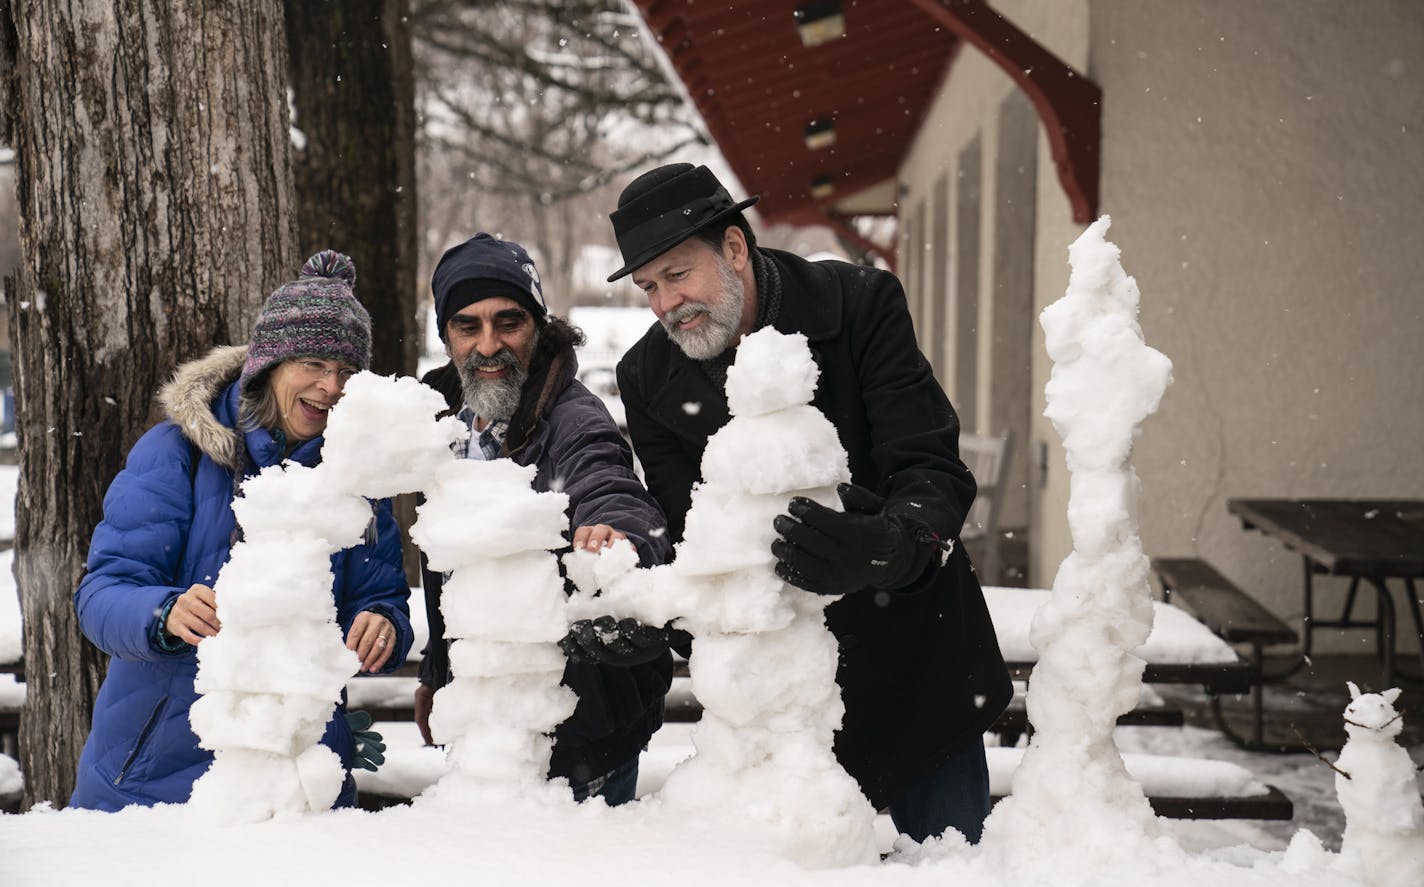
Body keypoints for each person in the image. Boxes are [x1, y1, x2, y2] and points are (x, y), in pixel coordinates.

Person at [606, 164, 1013, 843]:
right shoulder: (647, 376)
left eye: (677, 275)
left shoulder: (858, 305)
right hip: (779, 713)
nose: (664, 304)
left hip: (917, 670)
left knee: (952, 866)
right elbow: (690, 539)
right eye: (649, 286)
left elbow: (931, 467)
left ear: (734, 248)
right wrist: (651, 615)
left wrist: (886, 543)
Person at [70, 251, 414, 812]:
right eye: (313, 363)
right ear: (270, 363)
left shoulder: (356, 477)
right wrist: (164, 613)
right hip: (155, 780)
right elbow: (102, 593)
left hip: (293, 783)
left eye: (346, 372)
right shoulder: (177, 454)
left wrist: (382, 627)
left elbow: (379, 599)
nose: (330, 387)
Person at [414, 233, 673, 805]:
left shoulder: (571, 416)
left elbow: (607, 481)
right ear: (446, 336)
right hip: (491, 725)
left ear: (539, 325)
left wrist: (619, 534)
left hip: (586, 724)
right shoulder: (439, 417)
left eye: (509, 323)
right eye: (467, 326)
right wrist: (439, 673)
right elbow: (451, 570)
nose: (489, 345)